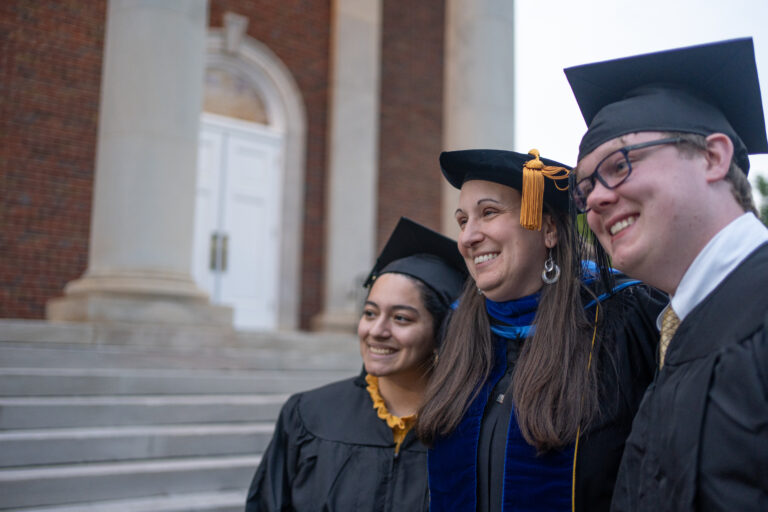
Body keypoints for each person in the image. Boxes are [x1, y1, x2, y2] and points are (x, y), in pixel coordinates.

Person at [565, 38, 768, 511]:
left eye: (619, 165)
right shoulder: (674, 338)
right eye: (585, 187)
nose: (594, 200)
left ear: (714, 158)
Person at [417, 149, 666, 512]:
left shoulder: (621, 321)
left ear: (548, 229)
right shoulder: (458, 330)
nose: (468, 237)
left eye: (488, 213)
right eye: (461, 220)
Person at [245, 217, 467, 512]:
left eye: (401, 318)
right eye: (370, 313)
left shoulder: (469, 429)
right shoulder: (309, 416)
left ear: (442, 332)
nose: (377, 330)